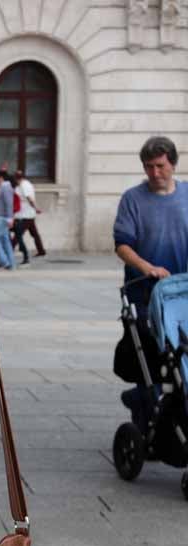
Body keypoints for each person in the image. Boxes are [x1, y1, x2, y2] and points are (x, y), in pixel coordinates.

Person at [113, 136, 188, 397]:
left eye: (160, 166)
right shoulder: (132, 199)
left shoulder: (186, 195)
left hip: (182, 293)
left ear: (173, 164)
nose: (154, 173)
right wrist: (147, 267)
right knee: (150, 357)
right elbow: (122, 245)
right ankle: (145, 404)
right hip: (145, 294)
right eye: (148, 167)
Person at [14, 168, 45, 259]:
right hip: (27, 213)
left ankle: (8, 249)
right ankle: (41, 251)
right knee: (34, 233)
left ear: (17, 178)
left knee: (18, 233)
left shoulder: (24, 185)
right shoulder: (24, 185)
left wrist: (36, 208)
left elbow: (29, 198)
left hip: (26, 214)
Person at [0, 168, 16, 269]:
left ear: (1, 177)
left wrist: (10, 218)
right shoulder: (4, 187)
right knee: (5, 241)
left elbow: (9, 203)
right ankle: (11, 262)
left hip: (2, 218)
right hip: (2, 218)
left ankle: (5, 261)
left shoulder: (5, 187)